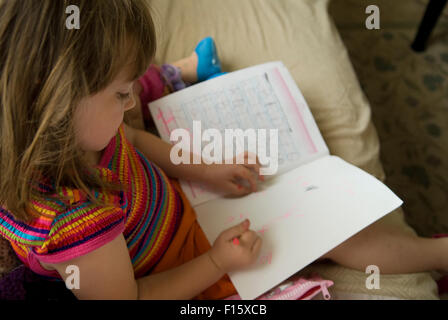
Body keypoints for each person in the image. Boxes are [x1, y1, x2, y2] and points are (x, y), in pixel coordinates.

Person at [0, 0, 447, 300]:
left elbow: (132, 141)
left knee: (328, 215)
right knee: (337, 231)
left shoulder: (82, 133)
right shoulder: (75, 221)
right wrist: (217, 260)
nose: (134, 103)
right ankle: (438, 256)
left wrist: (203, 169)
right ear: (55, 106)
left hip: (184, 208)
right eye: (120, 94)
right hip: (184, 263)